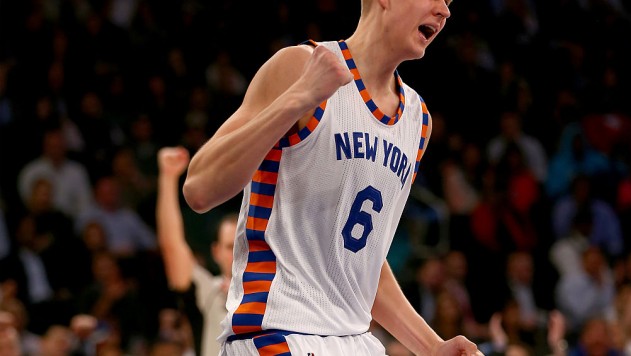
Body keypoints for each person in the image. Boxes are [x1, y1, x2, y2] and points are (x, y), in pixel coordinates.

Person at [182, 0, 484, 354]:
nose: (445, 12)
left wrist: (431, 346)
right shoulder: (301, 66)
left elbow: (358, 261)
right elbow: (199, 188)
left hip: (356, 340)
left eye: (448, 2)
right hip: (277, 332)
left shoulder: (418, 120)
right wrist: (299, 96)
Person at [156, 146, 236, 356]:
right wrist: (168, 177)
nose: (238, 254)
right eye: (230, 247)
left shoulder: (277, 291)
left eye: (244, 246)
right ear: (216, 252)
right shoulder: (208, 291)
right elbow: (172, 246)